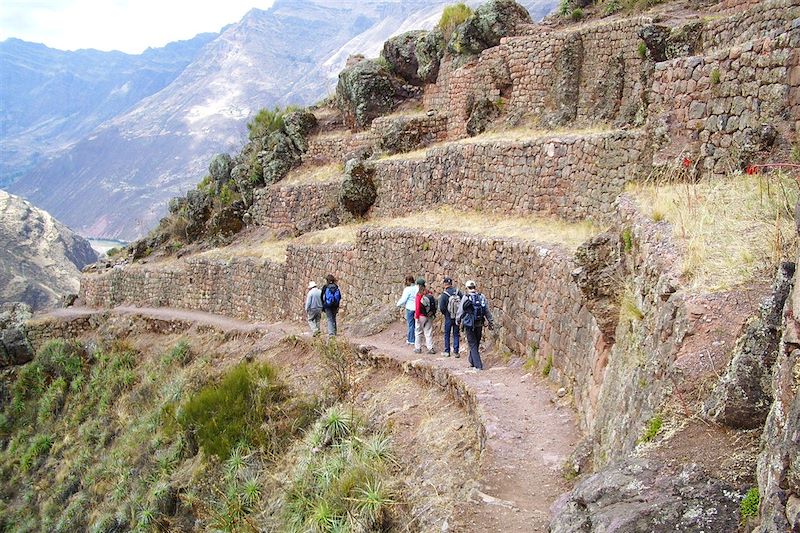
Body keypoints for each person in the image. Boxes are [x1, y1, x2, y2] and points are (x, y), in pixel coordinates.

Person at [456, 280, 495, 370]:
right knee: (476, 343)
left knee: (472, 344)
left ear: (467, 288)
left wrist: (458, 320)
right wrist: (490, 321)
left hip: (469, 324)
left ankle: (478, 365)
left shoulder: (466, 297)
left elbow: (460, 310)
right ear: (475, 287)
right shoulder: (481, 296)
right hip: (479, 323)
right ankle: (472, 360)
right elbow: (486, 310)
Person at [438, 276, 462, 358]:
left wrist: (446, 313)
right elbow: (462, 303)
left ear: (445, 284)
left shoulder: (444, 295)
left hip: (448, 316)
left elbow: (441, 307)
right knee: (456, 334)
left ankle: (447, 351)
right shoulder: (458, 292)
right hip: (457, 317)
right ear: (451, 283)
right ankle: (456, 352)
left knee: (447, 334)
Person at [414, 278, 437, 354]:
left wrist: (416, 317)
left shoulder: (419, 295)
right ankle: (430, 348)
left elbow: (417, 307)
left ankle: (418, 348)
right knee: (428, 332)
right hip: (429, 315)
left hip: (421, 316)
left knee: (418, 332)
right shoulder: (429, 293)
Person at [396, 274, 418, 346]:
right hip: (417, 308)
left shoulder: (407, 289)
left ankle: (411, 340)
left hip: (410, 308)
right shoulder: (417, 288)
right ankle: (416, 339)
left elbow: (404, 299)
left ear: (408, 281)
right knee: (417, 324)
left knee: (411, 324)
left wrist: (397, 304)